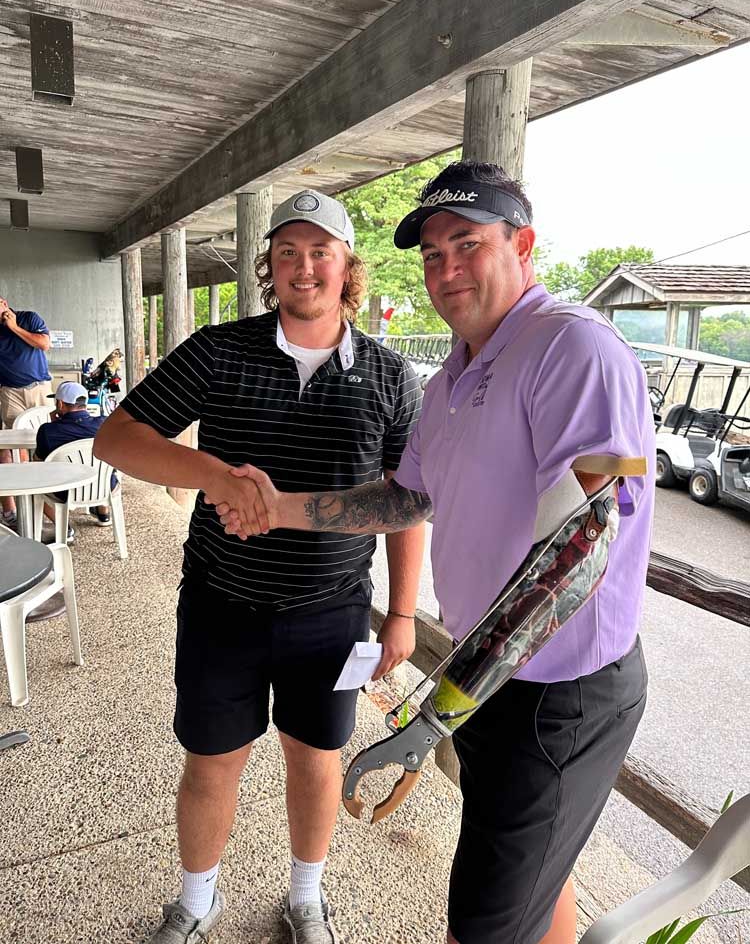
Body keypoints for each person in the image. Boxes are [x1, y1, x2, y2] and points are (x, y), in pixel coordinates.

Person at [212, 162, 656, 944]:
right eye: (430, 254)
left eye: (467, 245)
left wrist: (440, 709)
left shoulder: (571, 348)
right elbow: (405, 499)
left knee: (481, 924)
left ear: (523, 245)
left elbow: (589, 544)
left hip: (559, 692)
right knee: (535, 889)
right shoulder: (454, 373)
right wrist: (281, 508)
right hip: (495, 681)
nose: (446, 269)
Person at [93, 189, 424, 944]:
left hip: (334, 610)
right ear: (269, 269)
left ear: (348, 268)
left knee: (317, 758)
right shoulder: (219, 350)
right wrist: (211, 474)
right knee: (211, 760)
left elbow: (407, 503)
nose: (303, 268)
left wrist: (401, 615)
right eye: (286, 254)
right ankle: (196, 899)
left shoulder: (391, 375)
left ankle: (306, 897)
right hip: (221, 599)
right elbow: (117, 437)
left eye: (320, 252)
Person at [35, 381, 114, 540]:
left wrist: (53, 426)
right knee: (106, 470)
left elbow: (38, 463)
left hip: (65, 490)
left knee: (33, 490)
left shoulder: (47, 431)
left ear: (61, 404)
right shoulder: (105, 423)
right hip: (104, 486)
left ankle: (65, 528)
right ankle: (103, 514)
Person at [0, 296, 52, 528]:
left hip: (38, 388)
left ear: (3, 302)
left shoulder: (28, 318)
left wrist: (14, 328)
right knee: (13, 447)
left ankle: (46, 500)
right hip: (10, 392)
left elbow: (43, 344)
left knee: (46, 441)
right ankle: (14, 510)